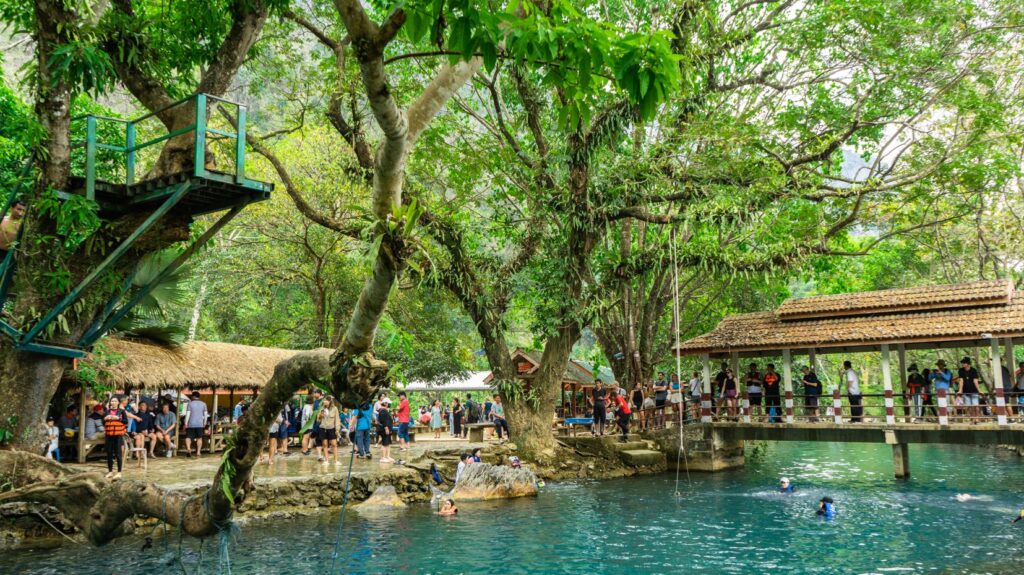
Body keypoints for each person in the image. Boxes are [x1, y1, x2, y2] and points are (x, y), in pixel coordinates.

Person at [103, 397, 140, 480]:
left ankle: (119, 472)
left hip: (118, 435)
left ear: (118, 403)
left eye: (115, 401)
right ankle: (110, 472)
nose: (113, 402)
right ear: (110, 402)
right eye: (112, 401)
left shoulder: (121, 411)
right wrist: (105, 418)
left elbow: (125, 422)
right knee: (109, 453)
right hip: (109, 435)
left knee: (118, 453)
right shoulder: (107, 411)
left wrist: (118, 418)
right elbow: (103, 422)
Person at [317, 396, 342, 464]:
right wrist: (320, 415)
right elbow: (318, 420)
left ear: (329, 401)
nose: (324, 402)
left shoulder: (335, 408)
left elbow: (337, 420)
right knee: (324, 444)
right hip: (323, 428)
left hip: (331, 428)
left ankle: (336, 460)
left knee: (334, 444)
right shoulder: (321, 408)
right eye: (324, 401)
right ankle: (326, 460)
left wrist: (337, 429)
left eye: (326, 400)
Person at [183, 392, 208, 458]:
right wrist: (204, 422)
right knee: (199, 438)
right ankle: (198, 452)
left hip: (191, 424)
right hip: (200, 424)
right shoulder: (204, 404)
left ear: (193, 396)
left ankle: (188, 449)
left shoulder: (190, 404)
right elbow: (205, 414)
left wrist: (186, 423)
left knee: (188, 437)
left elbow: (188, 414)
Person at [377, 397, 395, 464]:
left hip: (388, 429)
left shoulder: (385, 410)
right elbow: (384, 421)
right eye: (389, 404)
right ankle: (383, 457)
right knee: (384, 443)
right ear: (385, 403)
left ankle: (387, 456)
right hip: (384, 429)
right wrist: (386, 428)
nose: (389, 405)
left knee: (388, 443)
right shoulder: (382, 411)